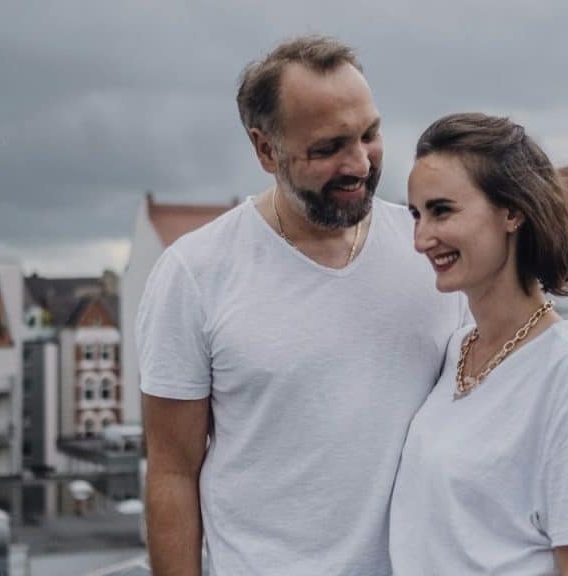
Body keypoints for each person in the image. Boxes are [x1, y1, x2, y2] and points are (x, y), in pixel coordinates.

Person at [136, 36, 466, 575]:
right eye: (328, 147)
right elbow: (172, 471)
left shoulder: (429, 251)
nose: (358, 163)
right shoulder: (194, 274)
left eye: (370, 134)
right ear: (265, 149)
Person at [390, 113, 568, 575]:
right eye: (416, 214)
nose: (421, 239)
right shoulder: (456, 351)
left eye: (442, 210)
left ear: (512, 211)